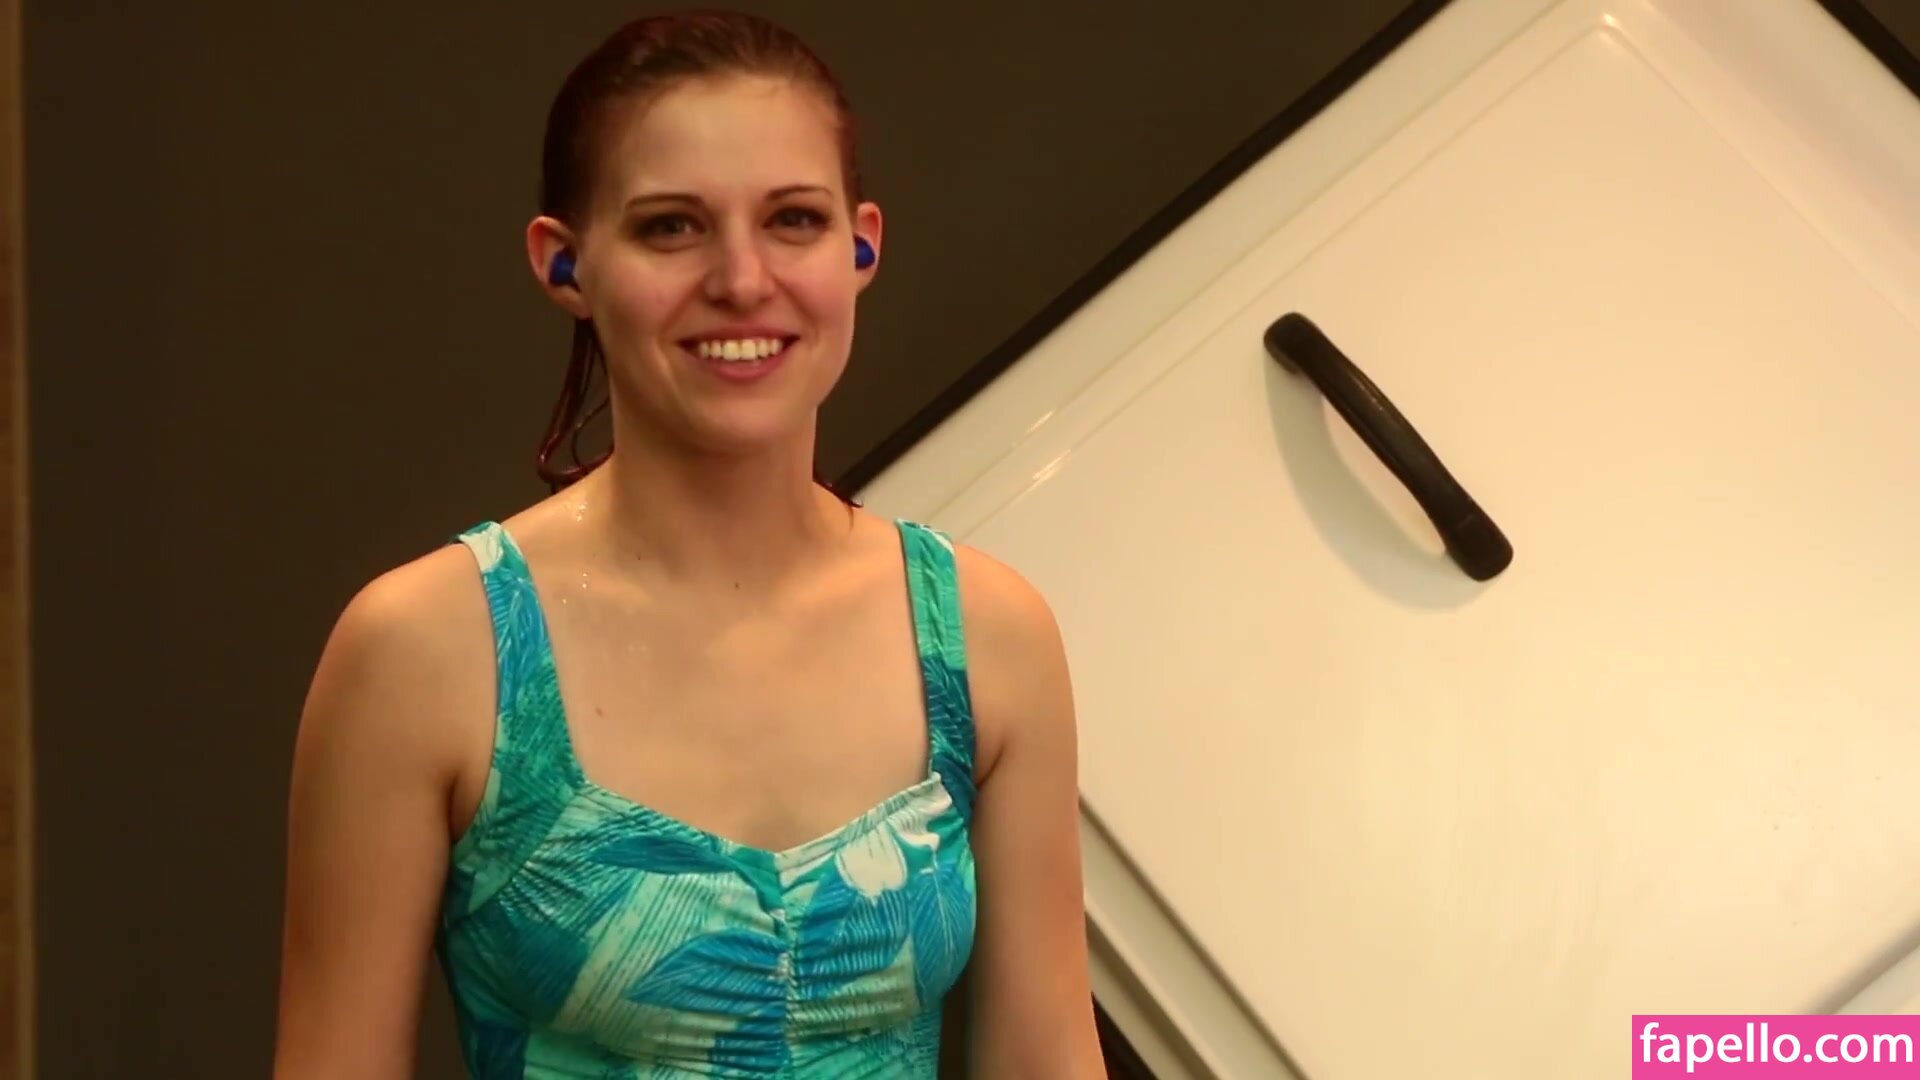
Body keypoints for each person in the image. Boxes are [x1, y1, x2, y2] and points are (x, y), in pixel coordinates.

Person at [272, 10, 1107, 1078]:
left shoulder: (988, 636)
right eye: (672, 227)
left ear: (862, 246)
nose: (743, 279)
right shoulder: (428, 649)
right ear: (565, 264)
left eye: (793, 220)